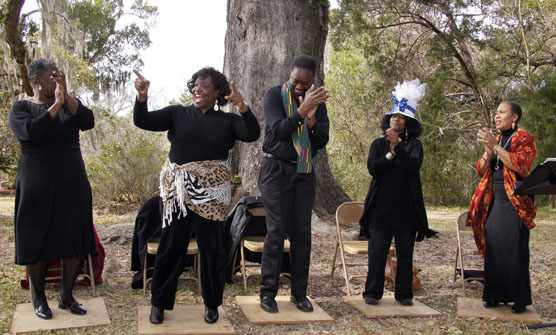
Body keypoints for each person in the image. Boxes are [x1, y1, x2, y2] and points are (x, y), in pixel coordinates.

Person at [133, 67, 260, 324]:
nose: (197, 89)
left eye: (204, 85)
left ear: (217, 92)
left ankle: (212, 304)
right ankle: (159, 304)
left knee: (212, 250)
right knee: (170, 248)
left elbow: (252, 134)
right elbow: (142, 121)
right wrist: (142, 97)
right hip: (179, 195)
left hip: (213, 196)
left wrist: (242, 105)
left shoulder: (228, 121)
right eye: (195, 85)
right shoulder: (177, 113)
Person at [8, 58, 96, 319]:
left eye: (60, 76)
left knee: (73, 236)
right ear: (36, 80)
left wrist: (65, 97)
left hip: (71, 177)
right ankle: (38, 297)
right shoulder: (21, 107)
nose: (58, 81)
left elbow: (88, 121)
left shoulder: (70, 102)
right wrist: (56, 105)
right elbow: (30, 132)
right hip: (37, 179)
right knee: (36, 236)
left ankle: (66, 295)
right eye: (52, 77)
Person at [258, 54, 330, 313]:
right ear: (289, 76)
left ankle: (299, 294)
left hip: (304, 170)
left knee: (302, 234)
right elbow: (278, 130)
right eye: (295, 81)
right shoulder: (274, 95)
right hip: (275, 169)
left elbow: (321, 141)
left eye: (304, 83)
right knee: (276, 232)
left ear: (312, 80)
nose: (298, 87)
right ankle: (268, 294)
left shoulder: (317, 103)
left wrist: (311, 118)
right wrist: (301, 110)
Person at [359, 79, 436, 306]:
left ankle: (404, 294)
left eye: (401, 117)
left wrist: (399, 147)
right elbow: (374, 169)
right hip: (381, 210)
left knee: (404, 254)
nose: (395, 119)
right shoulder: (377, 144)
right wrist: (390, 153)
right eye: (393, 116)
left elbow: (412, 167)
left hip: (406, 212)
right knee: (377, 252)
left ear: (408, 122)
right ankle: (372, 293)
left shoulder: (415, 146)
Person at [467, 101, 536, 314]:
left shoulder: (524, 138)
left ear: (514, 117)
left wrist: (496, 147)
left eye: (502, 112)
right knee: (494, 249)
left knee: (514, 250)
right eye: (496, 112)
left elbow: (521, 166)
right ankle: (494, 295)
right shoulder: (496, 139)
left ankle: (519, 299)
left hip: (515, 200)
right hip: (494, 199)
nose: (497, 116)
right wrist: (489, 151)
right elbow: (480, 169)